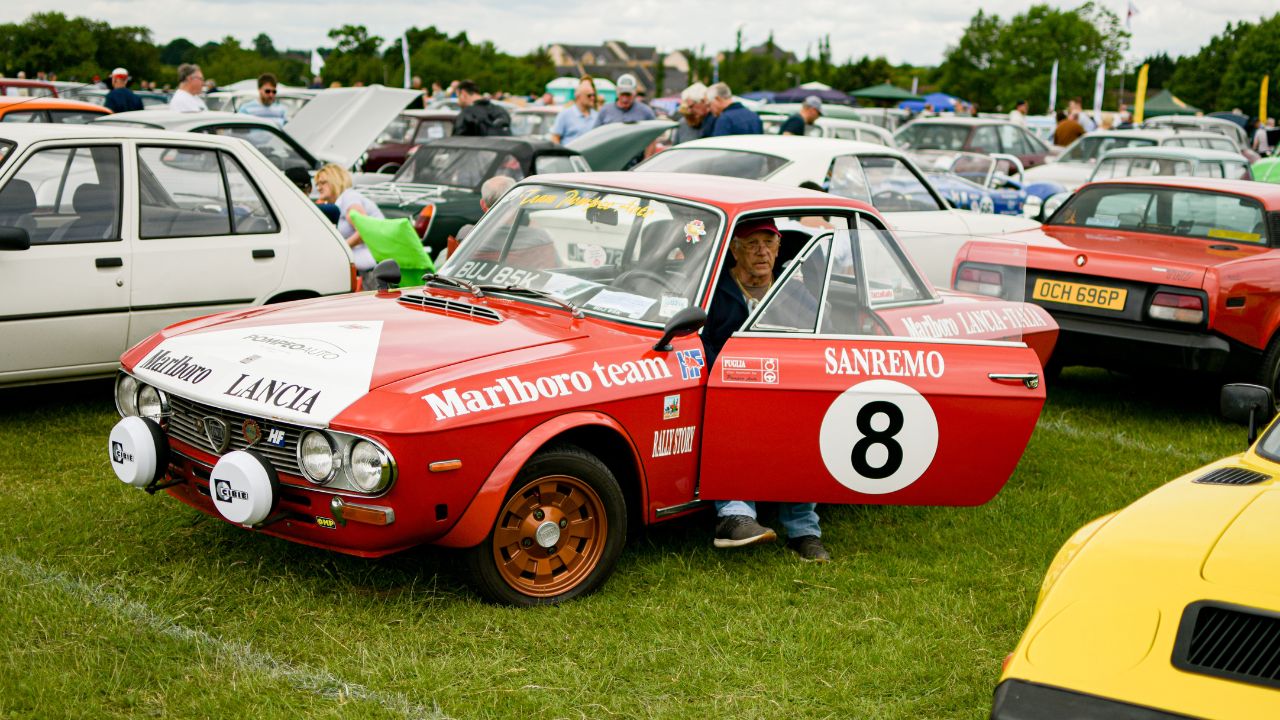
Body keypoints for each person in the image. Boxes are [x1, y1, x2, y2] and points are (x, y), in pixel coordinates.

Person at [702, 218, 829, 561]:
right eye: (752, 242)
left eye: (769, 243)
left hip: (784, 387)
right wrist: (729, 377)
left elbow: (818, 336)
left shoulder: (791, 290)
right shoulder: (714, 292)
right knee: (734, 419)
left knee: (807, 427)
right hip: (728, 388)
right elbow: (703, 344)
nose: (762, 251)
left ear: (778, 248)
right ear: (734, 249)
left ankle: (804, 532)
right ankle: (735, 514)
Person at [315, 164, 385, 273]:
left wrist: (341, 249)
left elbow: (364, 230)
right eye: (317, 184)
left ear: (336, 181)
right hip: (366, 262)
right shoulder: (339, 202)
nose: (319, 188)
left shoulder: (348, 197)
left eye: (323, 183)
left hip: (372, 263)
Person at [550, 77, 598, 144]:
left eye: (593, 95)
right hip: (569, 153)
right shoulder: (565, 115)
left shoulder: (597, 116)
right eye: (589, 95)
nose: (592, 98)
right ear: (578, 96)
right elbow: (555, 138)